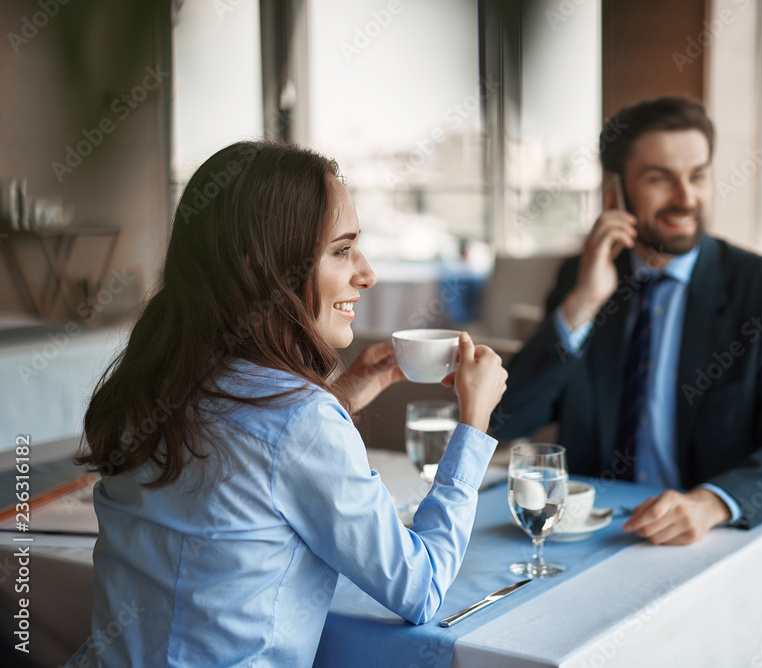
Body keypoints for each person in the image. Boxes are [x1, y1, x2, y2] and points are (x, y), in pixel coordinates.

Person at [67, 141, 507, 667]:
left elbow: (249, 451)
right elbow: (423, 586)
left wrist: (345, 391)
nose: (366, 274)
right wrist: (474, 423)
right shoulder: (301, 419)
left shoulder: (157, 379)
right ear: (264, 266)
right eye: (342, 251)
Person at [493, 96, 762, 545]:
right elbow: (504, 419)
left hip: (712, 539)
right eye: (659, 179)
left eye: (698, 176)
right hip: (597, 536)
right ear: (615, 189)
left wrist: (711, 503)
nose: (686, 198)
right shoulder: (584, 276)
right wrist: (584, 303)